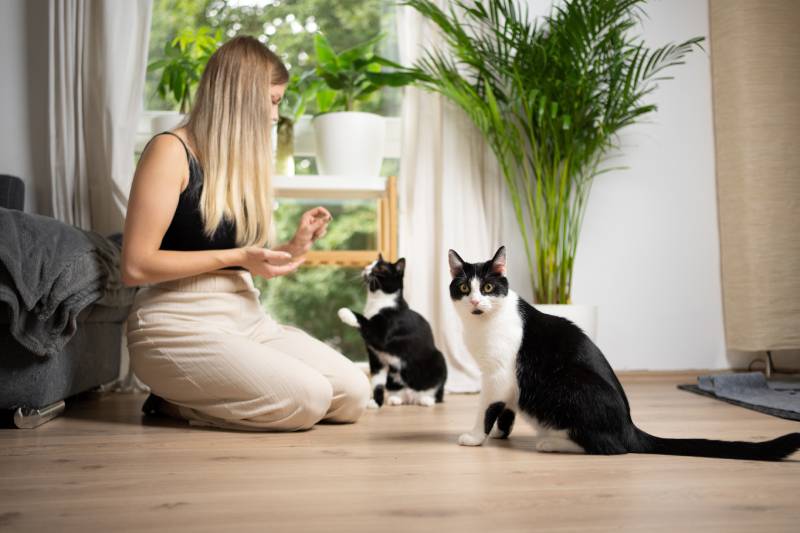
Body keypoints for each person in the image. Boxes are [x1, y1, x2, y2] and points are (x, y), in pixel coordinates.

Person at [121, 36, 370, 431]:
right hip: (175, 323)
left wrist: (293, 246)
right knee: (308, 399)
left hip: (245, 317)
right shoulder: (169, 151)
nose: (276, 115)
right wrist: (235, 258)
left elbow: (246, 260)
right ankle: (173, 402)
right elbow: (134, 265)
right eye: (273, 100)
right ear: (242, 97)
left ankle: (197, 398)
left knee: (355, 394)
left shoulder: (237, 164)